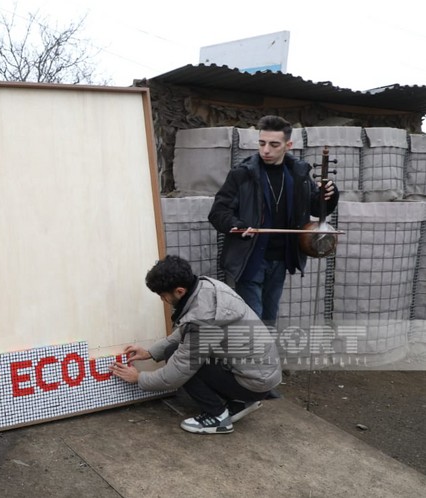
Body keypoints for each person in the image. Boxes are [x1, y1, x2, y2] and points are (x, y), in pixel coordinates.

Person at [110, 255, 281, 434]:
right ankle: (240, 402)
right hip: (260, 374)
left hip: (253, 382)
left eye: (163, 295)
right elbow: (187, 330)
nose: (163, 300)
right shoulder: (206, 288)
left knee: (179, 360)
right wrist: (151, 353)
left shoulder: (203, 319)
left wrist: (139, 378)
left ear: (179, 291)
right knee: (172, 351)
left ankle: (218, 417)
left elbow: (176, 373)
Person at [208, 115, 339, 326]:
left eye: (273, 144)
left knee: (269, 316)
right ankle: (254, 358)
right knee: (253, 320)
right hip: (249, 258)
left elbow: (316, 207)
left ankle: (265, 358)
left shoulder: (298, 173)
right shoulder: (242, 174)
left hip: (280, 259)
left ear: (288, 145)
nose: (266, 150)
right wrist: (238, 226)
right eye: (262, 143)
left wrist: (330, 195)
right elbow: (218, 212)